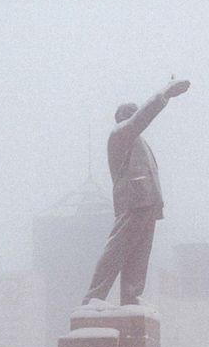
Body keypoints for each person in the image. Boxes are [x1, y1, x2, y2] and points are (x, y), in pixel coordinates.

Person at [81, 78, 191, 308]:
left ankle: (131, 297)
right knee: (117, 249)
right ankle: (94, 296)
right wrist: (165, 93)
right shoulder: (120, 135)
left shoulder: (139, 143)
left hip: (148, 203)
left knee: (140, 254)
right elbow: (142, 118)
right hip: (133, 201)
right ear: (124, 117)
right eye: (131, 113)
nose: (135, 116)